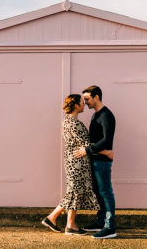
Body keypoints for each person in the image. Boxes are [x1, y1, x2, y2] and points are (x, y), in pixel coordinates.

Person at [42, 94, 113, 235]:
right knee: (74, 191)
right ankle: (52, 217)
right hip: (76, 162)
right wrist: (106, 152)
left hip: (78, 161)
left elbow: (83, 145)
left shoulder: (71, 121)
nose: (84, 104)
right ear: (76, 105)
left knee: (76, 191)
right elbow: (84, 144)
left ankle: (71, 225)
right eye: (82, 102)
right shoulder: (72, 123)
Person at [74, 85, 117, 239]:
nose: (85, 102)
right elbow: (95, 141)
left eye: (87, 99)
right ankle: (100, 222)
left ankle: (109, 227)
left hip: (102, 163)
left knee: (106, 193)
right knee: (99, 193)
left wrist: (87, 150)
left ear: (96, 97)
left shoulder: (106, 115)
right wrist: (97, 150)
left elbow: (106, 140)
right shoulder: (95, 115)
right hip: (96, 159)